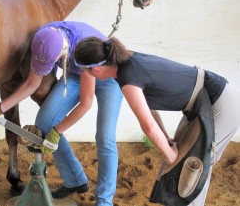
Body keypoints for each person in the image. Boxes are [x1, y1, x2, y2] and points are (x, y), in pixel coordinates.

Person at [73, 36, 240, 205]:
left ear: (95, 70)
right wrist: (166, 140)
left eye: (84, 71)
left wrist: (169, 155)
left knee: (192, 169)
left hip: (219, 102)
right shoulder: (124, 63)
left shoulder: (128, 77)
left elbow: (148, 126)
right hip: (201, 103)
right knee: (178, 165)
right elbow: (149, 109)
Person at [0, 21, 124, 206]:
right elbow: (32, 83)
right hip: (77, 74)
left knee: (105, 137)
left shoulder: (82, 45)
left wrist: (57, 132)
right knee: (45, 121)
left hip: (107, 78)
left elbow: (86, 103)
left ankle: (104, 200)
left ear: (64, 51)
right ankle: (75, 180)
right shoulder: (42, 39)